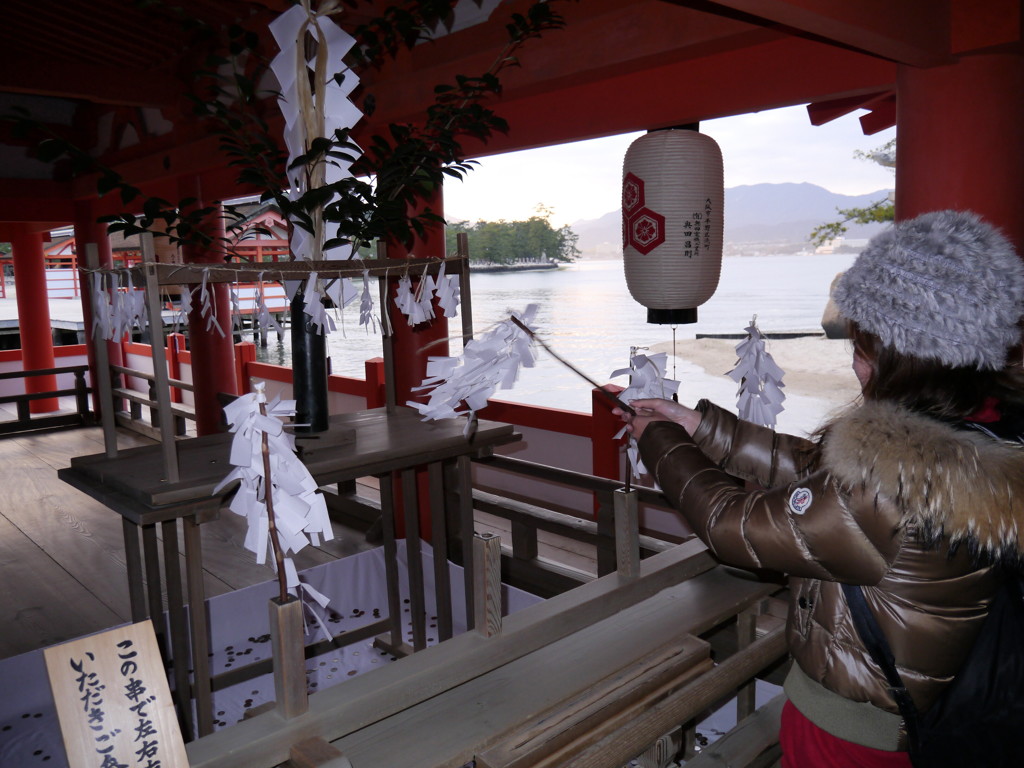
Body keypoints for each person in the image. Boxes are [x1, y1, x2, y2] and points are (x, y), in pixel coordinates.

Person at [617, 210, 1024, 767]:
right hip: (913, 712)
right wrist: (698, 426)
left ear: (908, 362)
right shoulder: (979, 432)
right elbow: (817, 466)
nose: (855, 366)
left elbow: (733, 527)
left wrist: (660, 442)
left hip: (855, 731)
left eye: (863, 351)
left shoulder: (893, 487)